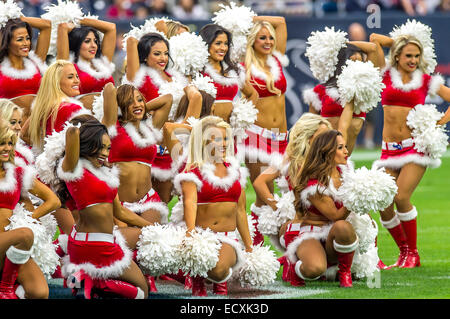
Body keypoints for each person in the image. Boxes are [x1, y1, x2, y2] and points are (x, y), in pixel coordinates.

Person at [369, 30, 450, 268]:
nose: (413, 60)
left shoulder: (425, 80)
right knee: (383, 201)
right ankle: (404, 251)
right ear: (397, 57)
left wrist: (440, 121)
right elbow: (374, 40)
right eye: (408, 55)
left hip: (415, 148)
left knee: (401, 196)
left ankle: (413, 253)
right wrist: (400, 42)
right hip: (388, 150)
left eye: (416, 55)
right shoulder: (384, 74)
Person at [57, 120, 153, 299]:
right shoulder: (74, 169)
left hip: (106, 242)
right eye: (99, 147)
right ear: (87, 145)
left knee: (141, 290)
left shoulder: (105, 175)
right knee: (141, 294)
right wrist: (92, 126)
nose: (104, 153)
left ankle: (86, 281)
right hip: (93, 245)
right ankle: (94, 281)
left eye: (108, 148)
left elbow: (120, 212)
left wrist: (152, 227)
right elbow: (72, 133)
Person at [174, 116, 253, 296]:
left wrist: (249, 246)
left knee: (217, 270)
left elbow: (240, 210)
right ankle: (197, 278)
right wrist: (191, 233)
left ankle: (215, 277)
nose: (224, 143)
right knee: (206, 264)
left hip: (228, 237)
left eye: (225, 138)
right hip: (202, 236)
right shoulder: (192, 170)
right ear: (203, 142)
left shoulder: (234, 169)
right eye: (217, 139)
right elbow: (190, 202)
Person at [252, 113, 332, 285]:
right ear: (308, 137)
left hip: (324, 219)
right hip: (298, 222)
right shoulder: (291, 159)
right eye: (321, 136)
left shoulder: (331, 156)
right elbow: (260, 182)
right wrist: (278, 207)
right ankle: (292, 259)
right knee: (315, 266)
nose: (326, 140)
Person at [240, 16, 289, 246]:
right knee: (265, 196)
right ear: (252, 41)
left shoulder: (276, 59)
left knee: (277, 195)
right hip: (256, 137)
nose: (268, 41)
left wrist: (251, 18)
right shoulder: (244, 66)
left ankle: (255, 248)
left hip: (282, 138)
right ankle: (255, 248)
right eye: (262, 37)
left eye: (270, 37)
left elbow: (280, 21)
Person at [288, 129, 358, 288]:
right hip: (314, 233)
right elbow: (337, 215)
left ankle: (344, 273)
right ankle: (295, 266)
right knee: (315, 269)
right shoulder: (314, 184)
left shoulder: (345, 172)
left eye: (345, 146)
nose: (346, 152)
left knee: (344, 228)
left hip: (334, 236)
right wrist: (357, 196)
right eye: (340, 148)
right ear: (326, 152)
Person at [124, 31, 188, 203]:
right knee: (140, 202)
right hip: (148, 145)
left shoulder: (175, 77)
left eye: (166, 53)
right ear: (145, 56)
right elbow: (131, 41)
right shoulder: (139, 77)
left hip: (170, 147)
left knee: (163, 202)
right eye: (157, 53)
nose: (163, 58)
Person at [0, 122, 61, 299]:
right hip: (12, 239)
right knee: (25, 235)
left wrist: (28, 218)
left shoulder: (18, 172)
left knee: (40, 292)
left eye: (10, 143)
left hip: (12, 246)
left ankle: (6, 286)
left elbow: (53, 201)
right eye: (2, 143)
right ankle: (5, 288)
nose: (7, 148)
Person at [100, 83, 173, 227]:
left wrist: (142, 107)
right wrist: (125, 108)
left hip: (148, 199)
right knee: (128, 241)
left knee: (151, 239)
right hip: (119, 202)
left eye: (139, 99)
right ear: (120, 106)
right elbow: (109, 88)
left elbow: (168, 99)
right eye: (129, 102)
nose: (136, 104)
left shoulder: (150, 129)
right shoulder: (113, 127)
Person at [199, 24, 258, 123]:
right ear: (206, 44)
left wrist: (243, 116)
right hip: (206, 130)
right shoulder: (198, 71)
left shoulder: (234, 71)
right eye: (218, 43)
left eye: (226, 43)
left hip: (230, 132)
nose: (223, 48)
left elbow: (253, 94)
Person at [56, 17, 116, 108]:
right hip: (82, 119)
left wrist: (82, 21)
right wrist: (76, 22)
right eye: (87, 41)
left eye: (95, 41)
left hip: (108, 117)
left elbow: (111, 28)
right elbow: (63, 27)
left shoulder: (102, 63)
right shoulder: (68, 65)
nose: (93, 45)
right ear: (77, 43)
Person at [0, 15, 51, 119]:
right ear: (7, 43)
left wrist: (18, 18)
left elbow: (47, 26)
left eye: (27, 38)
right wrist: (7, 20)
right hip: (8, 131)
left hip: (37, 127)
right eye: (20, 39)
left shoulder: (36, 61)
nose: (26, 43)